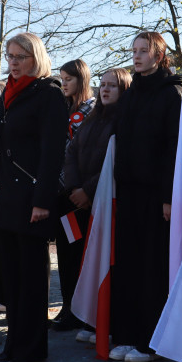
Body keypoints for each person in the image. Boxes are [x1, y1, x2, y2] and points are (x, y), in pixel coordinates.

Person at [0, 32, 67, 362]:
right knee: (11, 279)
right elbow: (14, 141)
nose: (12, 63)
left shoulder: (48, 93)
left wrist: (43, 200)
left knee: (31, 279)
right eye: (9, 56)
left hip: (31, 199)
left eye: (19, 57)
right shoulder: (9, 94)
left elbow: (51, 152)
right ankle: (14, 342)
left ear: (36, 58)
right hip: (5, 199)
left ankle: (32, 348)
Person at [110, 31, 182, 362]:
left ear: (159, 55)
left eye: (144, 51)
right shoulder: (129, 95)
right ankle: (126, 334)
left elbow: (174, 148)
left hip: (156, 196)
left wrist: (169, 197)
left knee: (152, 267)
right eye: (134, 51)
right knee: (127, 265)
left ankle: (150, 340)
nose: (137, 56)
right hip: (127, 192)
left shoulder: (171, 94)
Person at [63, 67, 131, 344]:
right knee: (85, 262)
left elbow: (114, 163)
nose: (105, 90)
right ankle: (88, 318)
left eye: (112, 86)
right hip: (81, 202)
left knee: (107, 264)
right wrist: (74, 188)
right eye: (102, 85)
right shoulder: (92, 119)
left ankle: (108, 321)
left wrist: (88, 191)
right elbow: (71, 152)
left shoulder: (124, 121)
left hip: (105, 203)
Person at [51, 58, 96, 332]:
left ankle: (83, 310)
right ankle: (68, 307)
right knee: (66, 256)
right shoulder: (64, 109)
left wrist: (84, 188)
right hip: (61, 195)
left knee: (81, 254)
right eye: (62, 78)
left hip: (83, 197)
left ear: (81, 79)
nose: (64, 83)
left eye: (68, 79)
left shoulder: (94, 110)